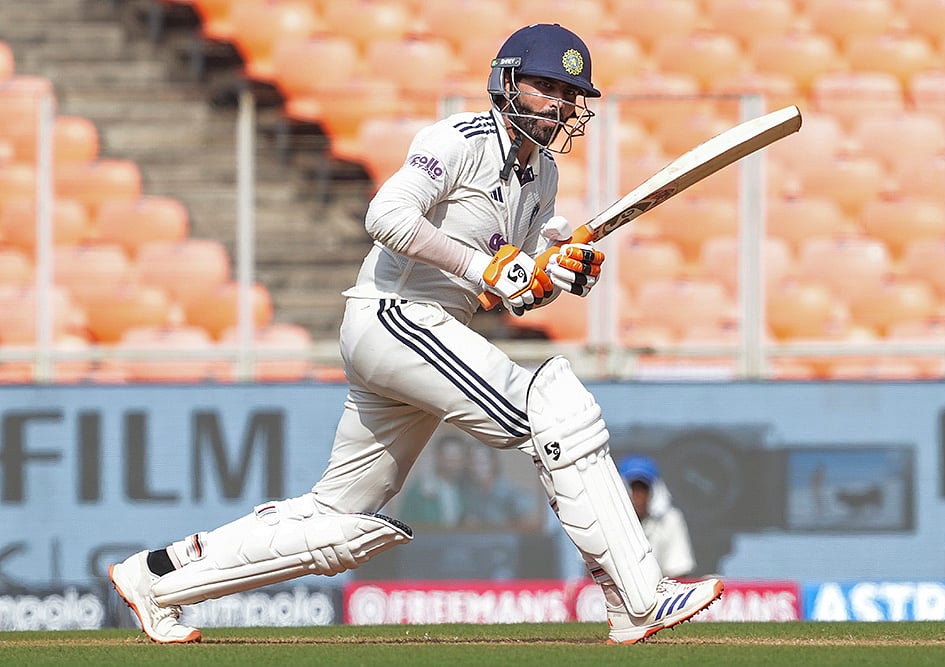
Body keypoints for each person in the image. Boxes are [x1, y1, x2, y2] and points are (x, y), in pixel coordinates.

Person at [107, 23, 723, 645]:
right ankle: (637, 598)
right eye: (545, 87)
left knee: (336, 521)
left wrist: (557, 271)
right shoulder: (460, 139)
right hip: (392, 314)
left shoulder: (542, 179)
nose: (560, 106)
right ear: (506, 83)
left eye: (570, 94)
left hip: (427, 335)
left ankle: (154, 580)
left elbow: (517, 288)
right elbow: (385, 216)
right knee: (553, 409)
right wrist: (483, 265)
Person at [618, 455, 697, 579]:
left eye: (643, 489)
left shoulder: (670, 520)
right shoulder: (605, 522)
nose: (638, 497)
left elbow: (679, 571)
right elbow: (592, 573)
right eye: (633, 489)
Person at [397, 434, 469, 527]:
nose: (454, 463)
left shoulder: (466, 489)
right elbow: (406, 523)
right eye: (450, 457)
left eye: (458, 457)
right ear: (439, 457)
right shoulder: (419, 490)